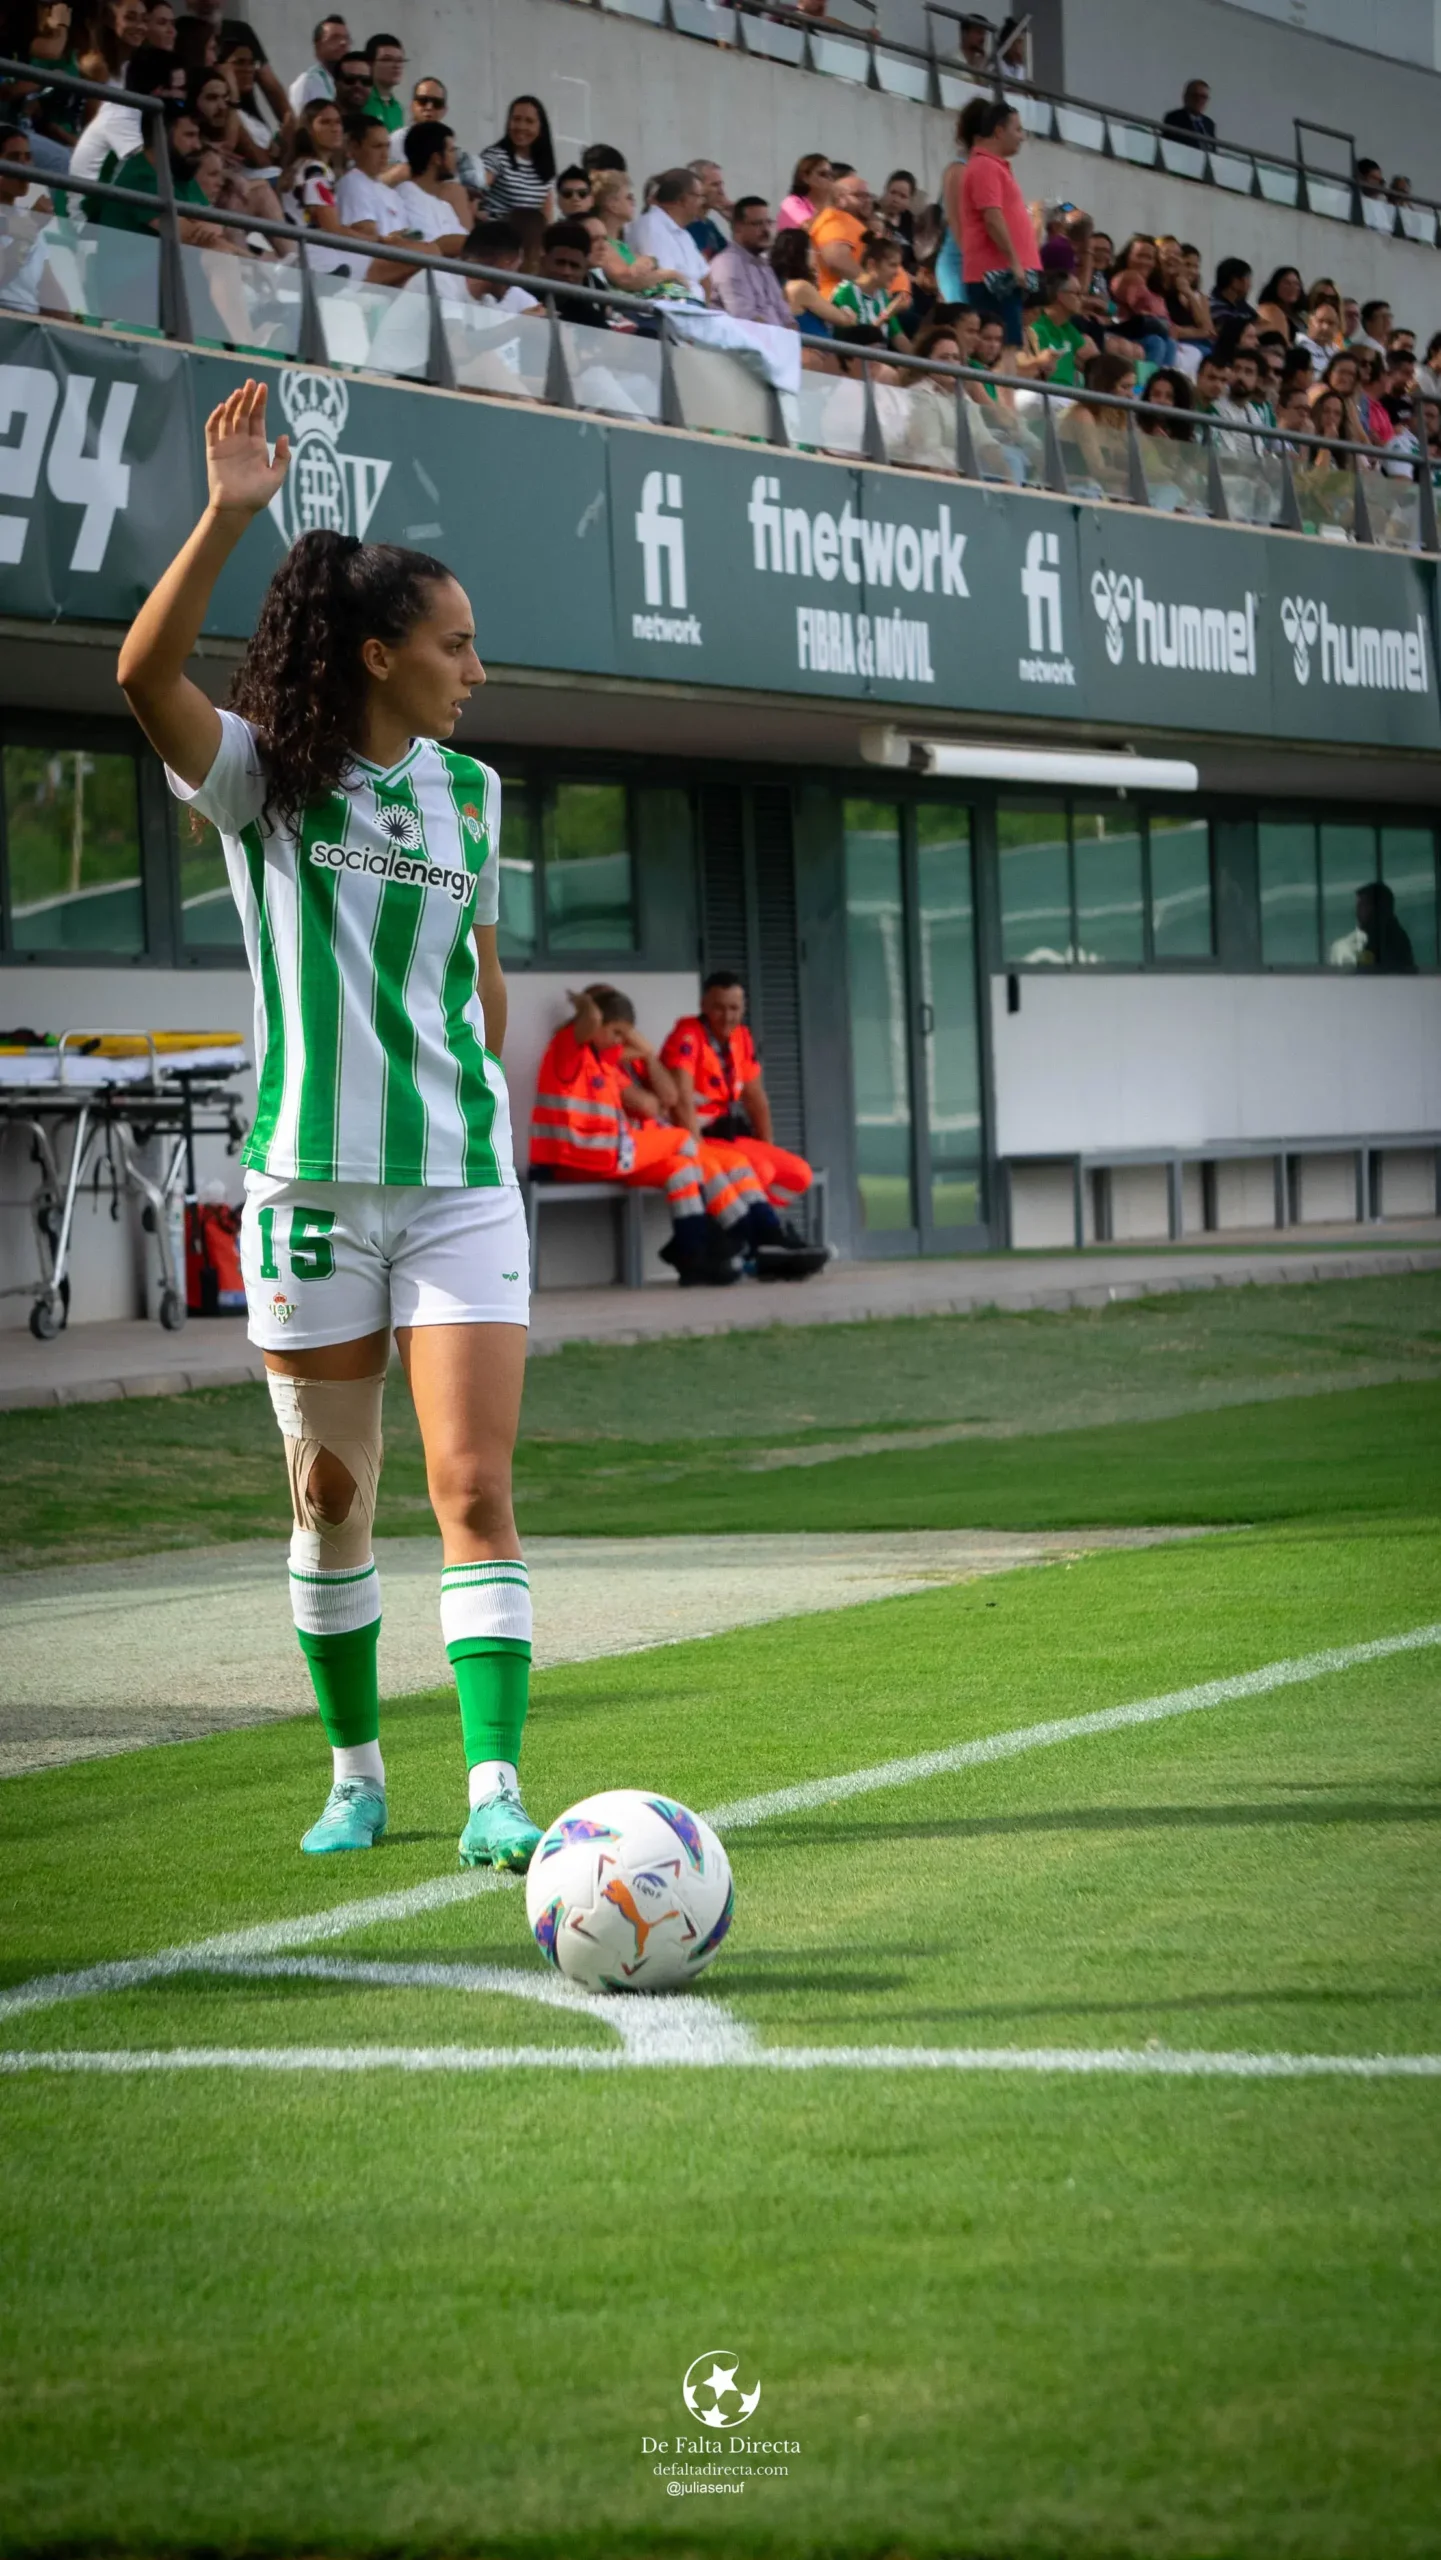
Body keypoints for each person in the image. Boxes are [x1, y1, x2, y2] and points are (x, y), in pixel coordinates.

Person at [118, 378, 542, 1873]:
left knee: (474, 1490)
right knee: (331, 1498)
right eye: (454, 645)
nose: (476, 668)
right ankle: (358, 1775)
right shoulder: (261, 779)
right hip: (306, 1189)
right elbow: (140, 671)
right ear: (379, 656)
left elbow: (485, 989)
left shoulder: (477, 800)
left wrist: (467, 1097)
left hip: (459, 1190)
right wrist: (230, 515)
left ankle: (495, 1791)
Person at [530, 987, 742, 1286]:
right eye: (616, 1032)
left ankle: (693, 1256)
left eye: (622, 1035)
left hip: (595, 1157)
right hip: (580, 1156)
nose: (620, 1041)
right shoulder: (568, 1049)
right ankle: (728, 1229)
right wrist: (588, 1006)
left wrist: (625, 1031)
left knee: (680, 1169)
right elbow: (591, 1022)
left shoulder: (598, 1058)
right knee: (682, 1140)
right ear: (595, 1023)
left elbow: (643, 1057)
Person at [659, 975, 815, 1225]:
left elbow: (755, 1099)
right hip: (696, 1137)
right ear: (704, 1006)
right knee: (761, 1171)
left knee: (799, 1174)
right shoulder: (688, 1035)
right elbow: (682, 1100)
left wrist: (767, 1145)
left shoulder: (741, 1037)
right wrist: (699, 1154)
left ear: (743, 1009)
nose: (727, 1016)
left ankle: (765, 1226)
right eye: (719, 1008)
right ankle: (746, 1238)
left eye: (734, 1008)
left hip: (728, 1133)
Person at [956, 97, 1038, 347]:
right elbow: (992, 218)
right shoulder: (985, 166)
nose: (1022, 137)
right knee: (1000, 347)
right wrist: (1014, 262)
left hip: (1004, 274)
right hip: (994, 276)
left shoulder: (994, 167)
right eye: (1018, 129)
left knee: (1010, 344)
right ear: (999, 131)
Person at [590, 165, 689, 298]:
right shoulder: (603, 244)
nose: (634, 201)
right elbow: (627, 279)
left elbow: (645, 263)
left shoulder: (618, 244)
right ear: (612, 205)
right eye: (628, 197)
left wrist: (650, 261)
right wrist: (670, 275)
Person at [709, 194, 793, 329]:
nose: (766, 230)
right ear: (738, 228)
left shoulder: (765, 265)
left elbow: (786, 316)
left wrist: (792, 342)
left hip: (778, 343)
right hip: (749, 347)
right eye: (757, 224)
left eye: (768, 222)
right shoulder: (727, 264)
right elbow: (746, 320)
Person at [480, 92, 554, 242]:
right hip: (495, 241)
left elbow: (546, 219)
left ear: (541, 128)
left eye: (529, 121)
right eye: (516, 119)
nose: (521, 126)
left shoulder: (544, 168)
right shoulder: (495, 157)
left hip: (528, 246)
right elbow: (473, 194)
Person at [627, 162, 708, 297]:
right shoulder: (651, 225)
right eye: (699, 196)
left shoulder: (684, 233)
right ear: (683, 199)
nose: (702, 202)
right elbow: (666, 283)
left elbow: (705, 278)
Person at [1058, 350, 1134, 492]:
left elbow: (1127, 456)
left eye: (1132, 387)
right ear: (1104, 386)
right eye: (1124, 387)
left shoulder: (1117, 418)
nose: (1131, 395)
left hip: (1097, 488)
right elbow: (1097, 469)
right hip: (1071, 487)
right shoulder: (1083, 415)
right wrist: (1136, 478)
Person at [831, 227, 910, 347]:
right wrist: (886, 315)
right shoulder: (845, 293)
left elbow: (900, 339)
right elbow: (860, 345)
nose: (897, 272)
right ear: (871, 264)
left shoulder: (882, 296)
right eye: (892, 265)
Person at [1108, 232, 1176, 367]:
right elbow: (1141, 306)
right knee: (1155, 342)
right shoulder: (1127, 276)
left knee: (1170, 343)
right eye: (1140, 256)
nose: (1144, 262)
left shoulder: (1155, 288)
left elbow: (1168, 324)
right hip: (1123, 332)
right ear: (1128, 257)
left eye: (1149, 258)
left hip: (1144, 333)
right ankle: (1146, 384)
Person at [809, 164, 871, 299]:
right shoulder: (834, 220)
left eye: (868, 196)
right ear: (839, 198)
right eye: (860, 196)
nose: (867, 201)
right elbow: (836, 260)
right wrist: (871, 287)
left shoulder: (850, 222)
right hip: (841, 303)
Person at [1023, 265, 1089, 383]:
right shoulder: (1035, 325)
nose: (1082, 299)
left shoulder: (1069, 329)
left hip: (1069, 396)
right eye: (1077, 294)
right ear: (1060, 295)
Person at [287, 11, 348, 116]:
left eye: (346, 38)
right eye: (335, 38)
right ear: (318, 47)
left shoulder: (350, 82)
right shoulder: (307, 83)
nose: (343, 43)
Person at [776, 150, 832, 233]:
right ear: (805, 178)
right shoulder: (791, 203)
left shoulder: (832, 204)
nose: (829, 179)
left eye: (831, 174)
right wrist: (828, 202)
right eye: (823, 174)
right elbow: (811, 229)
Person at [686, 155, 729, 258]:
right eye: (715, 185)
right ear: (697, 187)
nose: (721, 192)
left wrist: (735, 222)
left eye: (721, 185)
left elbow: (732, 261)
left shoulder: (709, 225)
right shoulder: (684, 226)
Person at [1255, 265, 1302, 342]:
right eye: (1287, 283)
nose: (1292, 287)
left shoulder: (1300, 315)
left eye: (1296, 284)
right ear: (1275, 286)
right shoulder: (1268, 310)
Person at [1209, 257, 1255, 330]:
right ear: (1235, 281)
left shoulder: (1240, 303)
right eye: (1248, 279)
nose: (1250, 285)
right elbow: (1232, 332)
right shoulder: (1214, 306)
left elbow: (1262, 323)